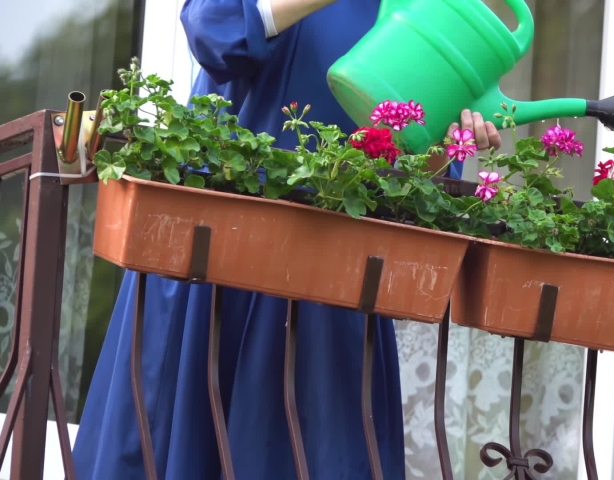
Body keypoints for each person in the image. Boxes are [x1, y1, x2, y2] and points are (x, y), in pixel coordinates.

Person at [71, 0, 501, 478]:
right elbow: (212, 30)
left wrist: (450, 142)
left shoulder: (430, 12)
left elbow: (415, 181)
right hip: (210, 269)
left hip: (328, 291)